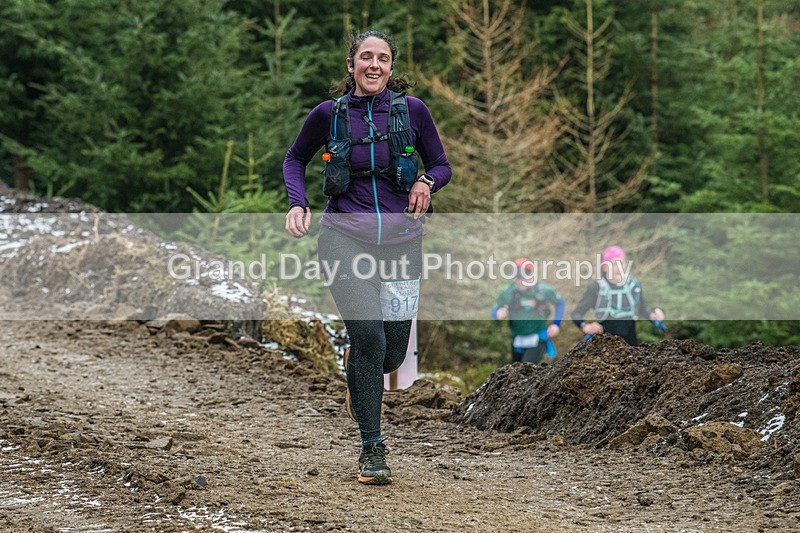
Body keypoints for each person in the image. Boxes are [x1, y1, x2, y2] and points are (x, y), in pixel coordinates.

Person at [283, 30, 451, 485]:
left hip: (402, 244)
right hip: (344, 239)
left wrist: (426, 183)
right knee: (370, 338)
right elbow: (294, 159)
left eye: (383, 58)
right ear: (351, 64)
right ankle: (372, 448)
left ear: (391, 68)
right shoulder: (329, 114)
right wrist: (297, 203)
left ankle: (358, 372)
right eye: (366, 57)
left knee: (391, 355)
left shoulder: (414, 111)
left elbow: (442, 165)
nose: (374, 65)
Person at [571, 245, 665, 346]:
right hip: (604, 346)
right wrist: (585, 326)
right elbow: (576, 314)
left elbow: (642, 310)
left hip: (631, 346)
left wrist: (653, 316)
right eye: (614, 264)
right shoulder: (596, 287)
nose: (619, 268)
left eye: (622, 263)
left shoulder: (633, 285)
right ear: (605, 267)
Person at [492, 258, 565, 364]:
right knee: (515, 369)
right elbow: (494, 310)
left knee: (526, 367)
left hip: (538, 337)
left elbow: (560, 303)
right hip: (518, 339)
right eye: (518, 277)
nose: (521, 281)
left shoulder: (543, 290)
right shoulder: (507, 292)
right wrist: (497, 313)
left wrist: (556, 324)